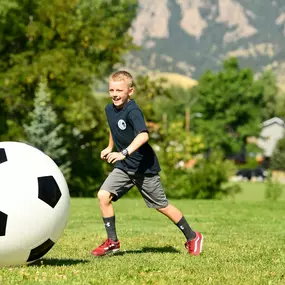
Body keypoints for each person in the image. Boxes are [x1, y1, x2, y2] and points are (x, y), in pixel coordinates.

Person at [91, 70, 203, 257]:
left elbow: (143, 135)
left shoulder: (133, 111)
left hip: (144, 168)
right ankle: (112, 242)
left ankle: (193, 237)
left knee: (162, 205)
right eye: (111, 90)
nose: (115, 94)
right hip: (124, 167)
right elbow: (113, 129)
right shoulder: (109, 109)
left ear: (130, 91)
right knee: (103, 196)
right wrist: (109, 147)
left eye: (119, 90)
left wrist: (123, 153)